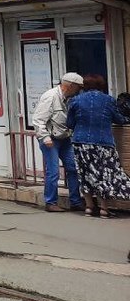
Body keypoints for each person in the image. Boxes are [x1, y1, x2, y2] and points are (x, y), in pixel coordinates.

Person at [67, 74, 130, 218]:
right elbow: (119, 119)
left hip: (80, 142)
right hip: (103, 143)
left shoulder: (75, 100)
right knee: (103, 175)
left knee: (85, 174)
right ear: (102, 85)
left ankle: (89, 207)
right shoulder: (108, 100)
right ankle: (104, 209)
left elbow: (69, 123)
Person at [33, 72, 84, 212]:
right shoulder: (50, 96)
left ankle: (75, 201)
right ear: (70, 86)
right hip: (50, 139)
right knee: (53, 171)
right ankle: (50, 202)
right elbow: (38, 119)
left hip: (65, 137)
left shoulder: (69, 98)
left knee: (73, 168)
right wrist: (44, 137)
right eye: (78, 87)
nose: (79, 90)